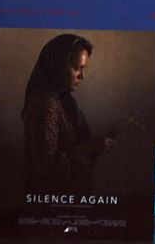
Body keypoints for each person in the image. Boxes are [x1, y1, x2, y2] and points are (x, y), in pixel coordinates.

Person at [21, 33, 115, 197]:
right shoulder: (46, 105)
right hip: (50, 204)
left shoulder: (63, 100)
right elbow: (46, 169)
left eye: (83, 69)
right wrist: (91, 147)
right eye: (77, 68)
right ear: (58, 66)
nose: (82, 76)